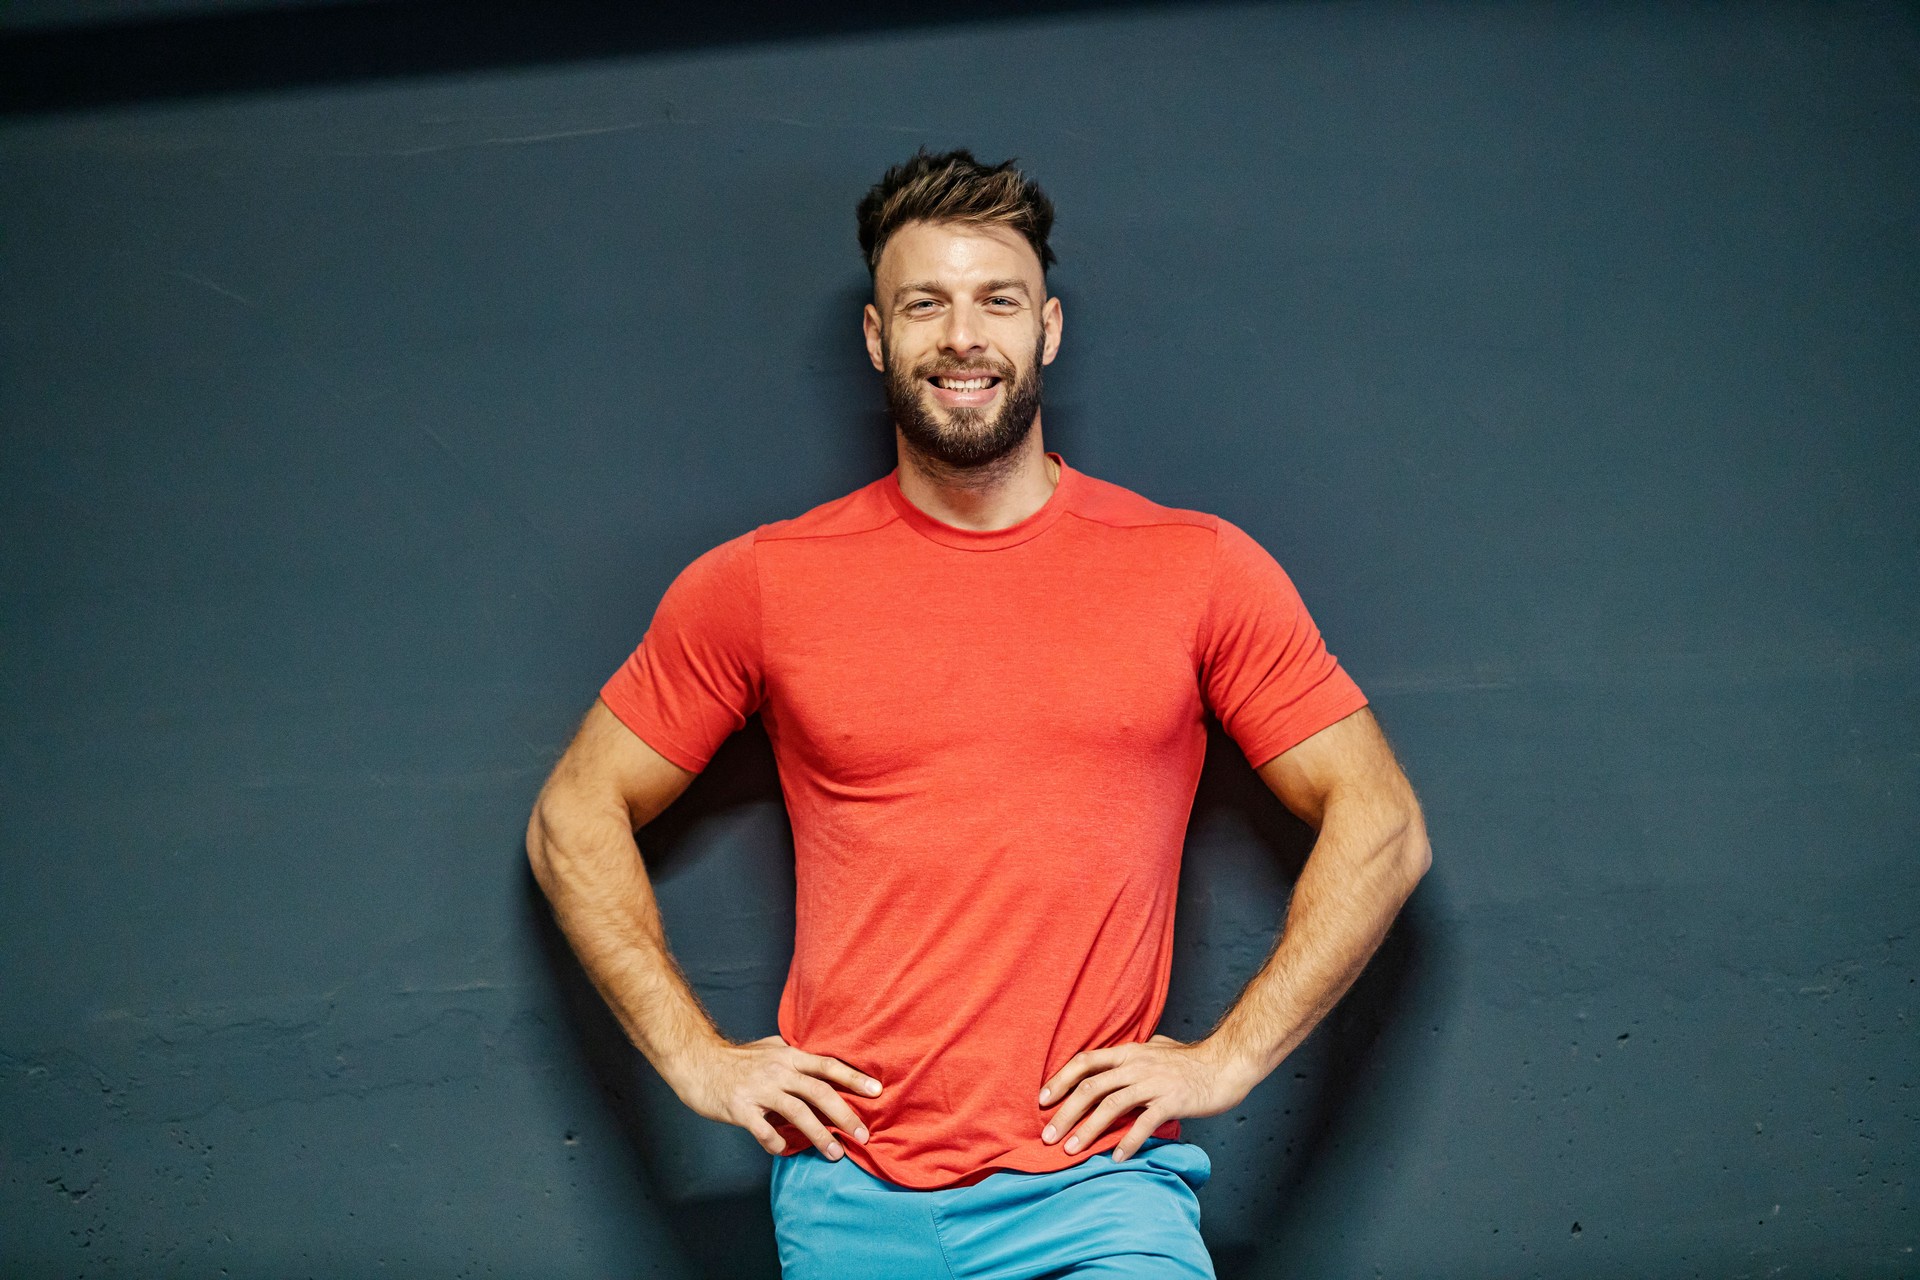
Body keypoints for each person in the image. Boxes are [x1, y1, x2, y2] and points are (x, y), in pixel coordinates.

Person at [526, 148, 1430, 1279]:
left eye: (997, 299)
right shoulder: (763, 582)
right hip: (849, 1194)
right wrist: (697, 1058)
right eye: (925, 303)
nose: (963, 334)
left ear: (1046, 328)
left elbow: (1382, 819)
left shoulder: (1196, 568)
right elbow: (575, 810)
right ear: (876, 337)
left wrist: (1228, 1061)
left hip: (1100, 1190)